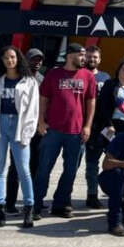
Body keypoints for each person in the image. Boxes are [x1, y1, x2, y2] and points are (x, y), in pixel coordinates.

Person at [33, 43, 97, 220]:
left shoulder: (88, 76)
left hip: (76, 132)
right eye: (81, 55)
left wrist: (87, 126)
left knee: (70, 171)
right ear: (70, 55)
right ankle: (35, 204)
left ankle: (60, 204)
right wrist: (41, 121)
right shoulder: (53, 74)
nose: (84, 58)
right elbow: (43, 98)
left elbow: (91, 102)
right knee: (43, 169)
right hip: (53, 130)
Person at [0, 46, 40, 228]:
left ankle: (29, 208)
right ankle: (0, 210)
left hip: (19, 127)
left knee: (23, 169)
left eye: (13, 57)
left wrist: (27, 133)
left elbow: (33, 111)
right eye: (6, 57)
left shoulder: (30, 82)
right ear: (2, 60)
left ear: (18, 58)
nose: (10, 60)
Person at [6, 48, 45, 214]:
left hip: (37, 130)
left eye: (39, 60)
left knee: (35, 166)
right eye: (33, 59)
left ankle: (32, 202)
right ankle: (10, 203)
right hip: (19, 129)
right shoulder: (18, 77)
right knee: (16, 166)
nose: (37, 63)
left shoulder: (43, 79)